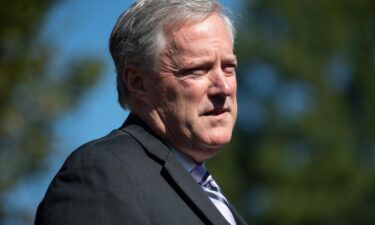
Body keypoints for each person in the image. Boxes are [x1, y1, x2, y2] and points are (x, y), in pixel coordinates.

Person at [35, 0, 247, 224]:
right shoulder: (103, 174)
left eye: (228, 68)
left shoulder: (206, 189)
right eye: (196, 70)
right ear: (138, 83)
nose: (223, 87)